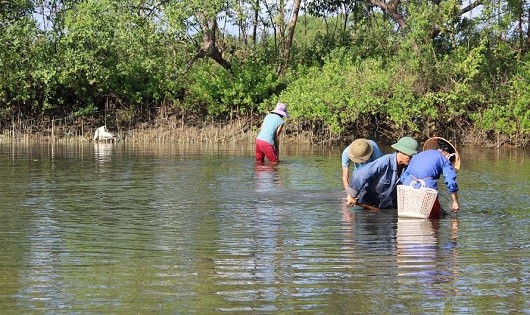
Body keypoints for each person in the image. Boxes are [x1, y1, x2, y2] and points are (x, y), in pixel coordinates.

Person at [346, 136, 419, 209]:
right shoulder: (384, 162)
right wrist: (351, 195)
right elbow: (359, 174)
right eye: (410, 156)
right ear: (401, 152)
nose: (412, 159)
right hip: (369, 203)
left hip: (386, 206)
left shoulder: (408, 167)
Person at [401, 137, 461, 218]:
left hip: (408, 186)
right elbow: (451, 182)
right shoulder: (444, 160)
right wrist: (455, 202)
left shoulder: (418, 155)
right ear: (449, 155)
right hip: (426, 187)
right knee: (434, 218)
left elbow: (403, 177)